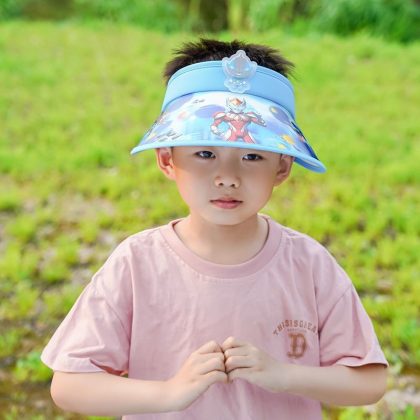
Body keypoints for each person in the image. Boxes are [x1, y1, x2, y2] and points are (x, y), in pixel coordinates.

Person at [41, 38, 388, 419]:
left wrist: (284, 375)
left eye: (252, 155)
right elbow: (70, 385)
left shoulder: (309, 264)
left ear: (283, 167)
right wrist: (169, 393)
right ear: (167, 159)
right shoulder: (137, 263)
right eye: (205, 153)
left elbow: (368, 381)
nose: (227, 177)